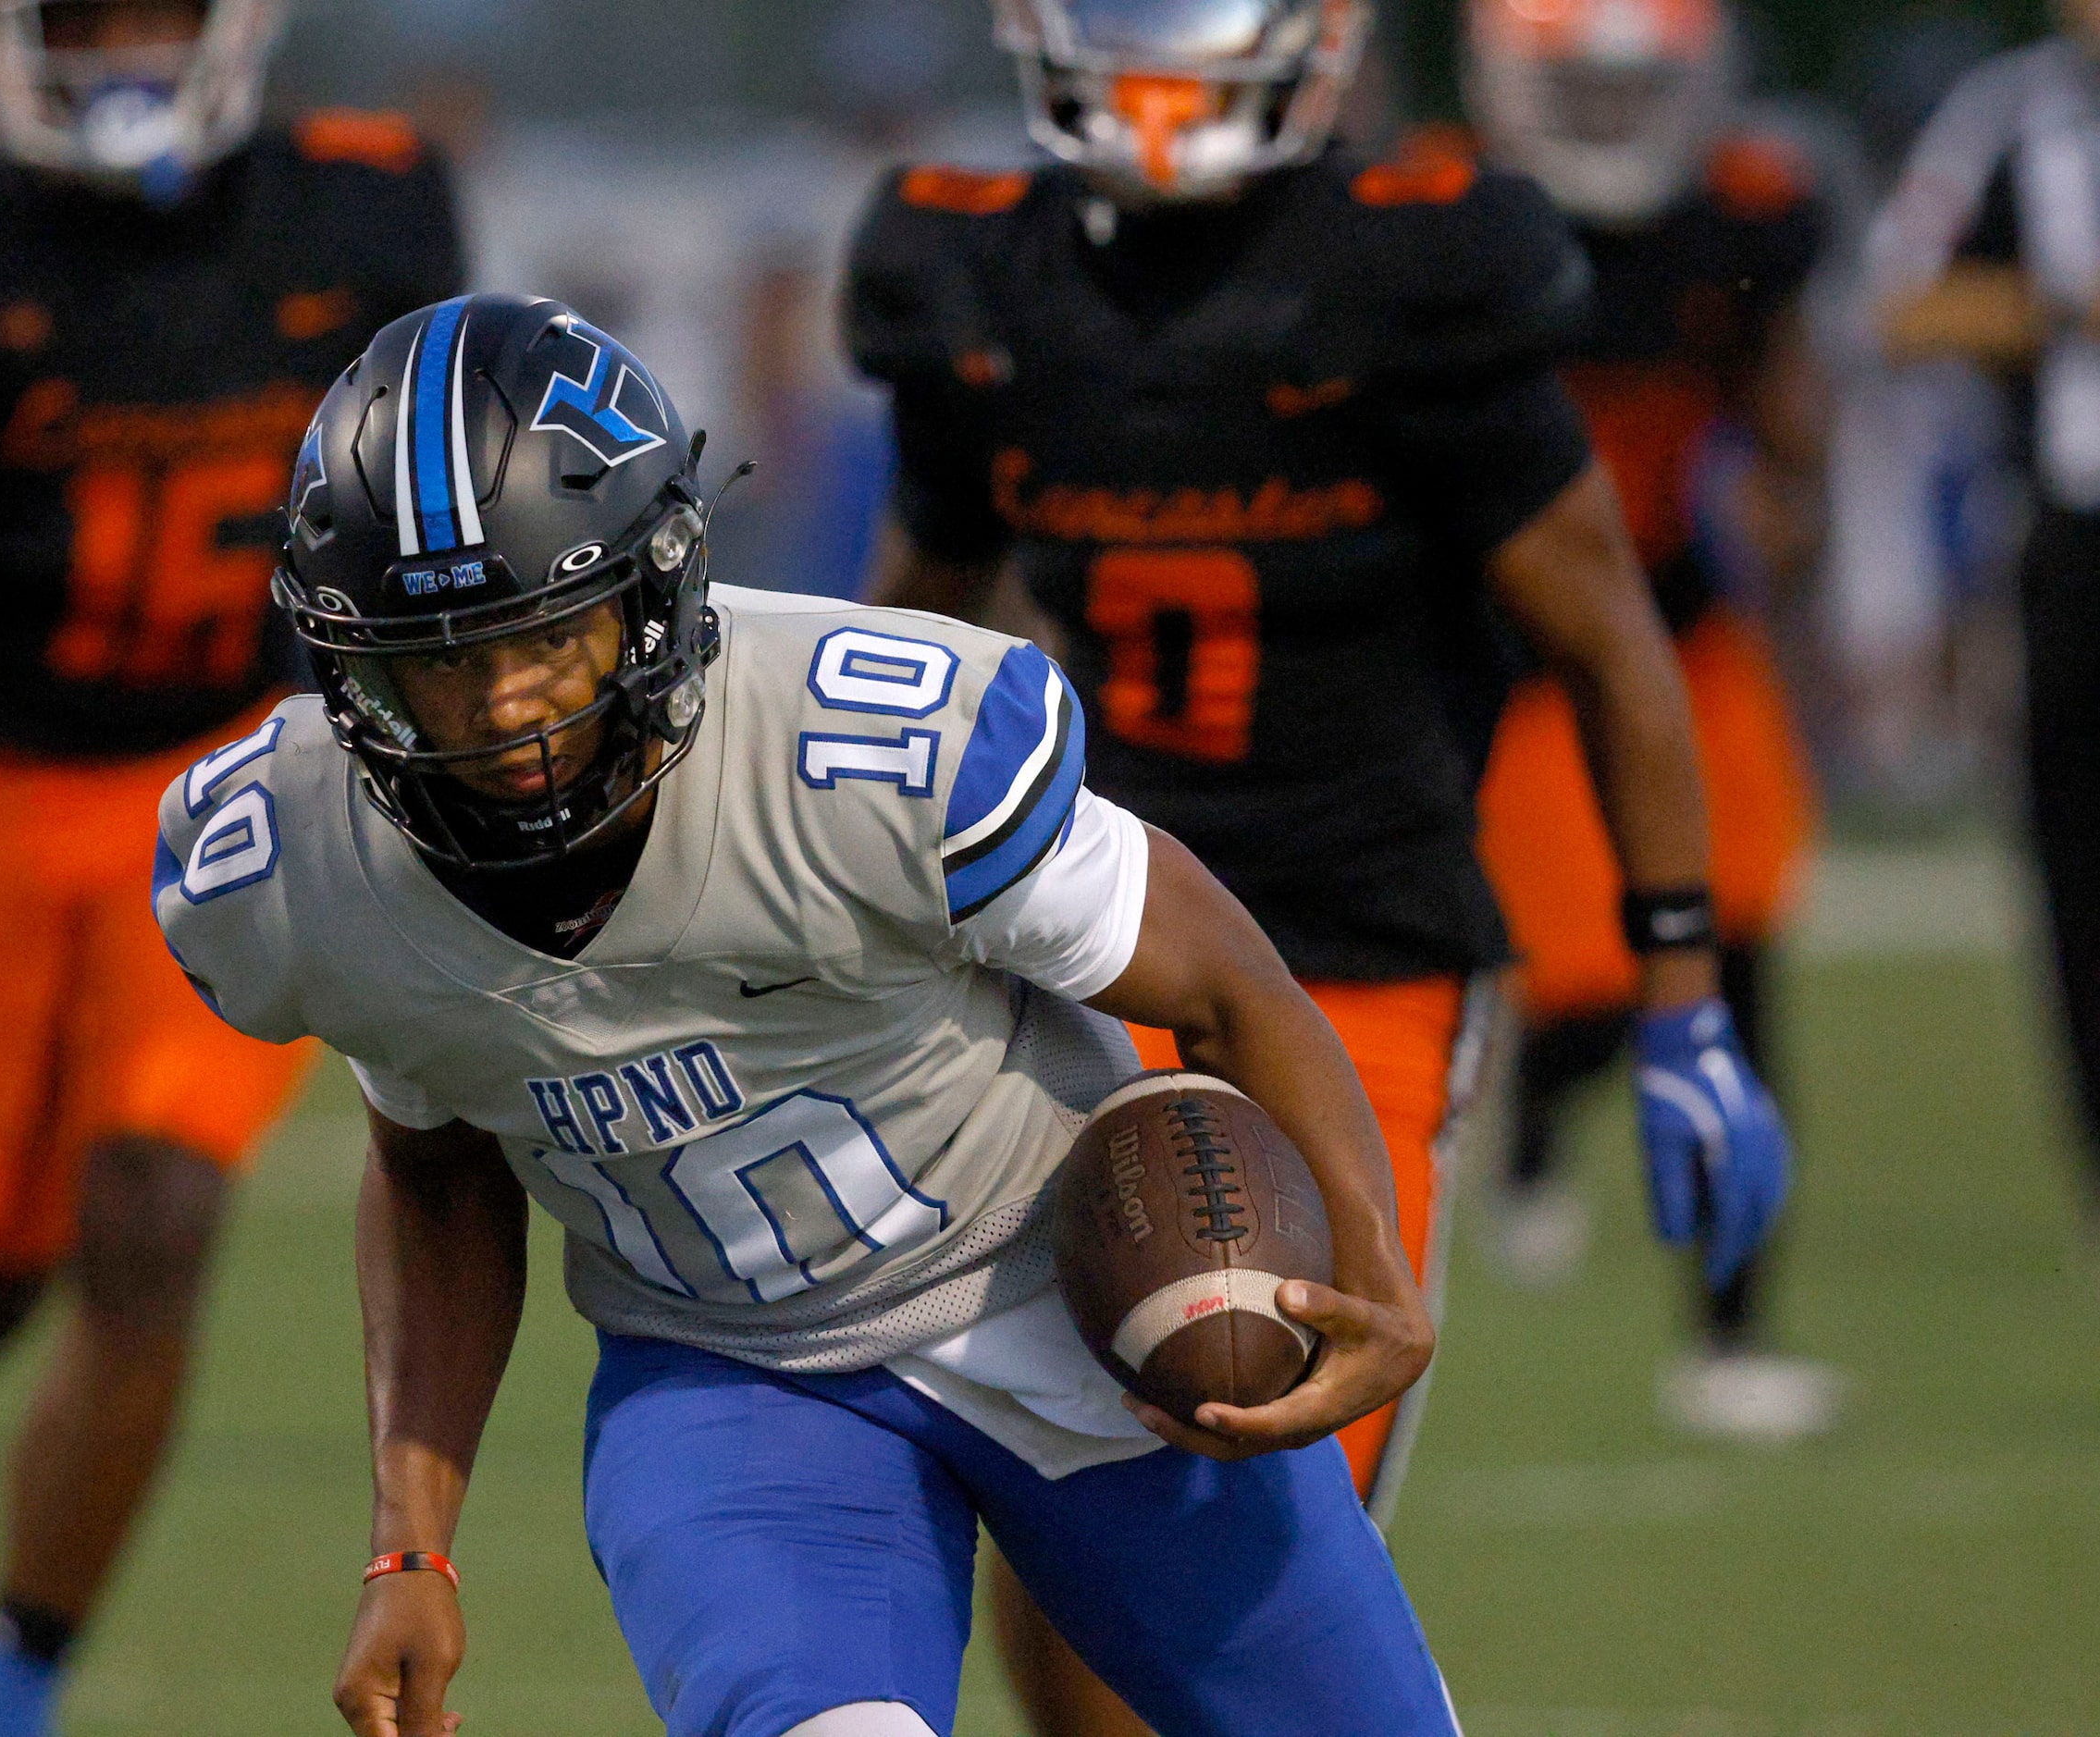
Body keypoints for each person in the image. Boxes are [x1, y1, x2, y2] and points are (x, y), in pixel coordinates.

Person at [162, 291, 1459, 1737]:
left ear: (655, 593)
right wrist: (409, 1538)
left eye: (552, 640)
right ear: (349, 666)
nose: (508, 710)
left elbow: (1223, 980)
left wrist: (1379, 1267)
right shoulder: (293, 859)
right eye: (439, 663)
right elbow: (436, 1162)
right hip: (733, 1380)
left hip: (1064, 1289)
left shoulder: (869, 744)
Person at [838, 1, 1791, 1729]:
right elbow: (902, 642)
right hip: (1082, 953)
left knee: (1240, 1490)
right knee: (1061, 1578)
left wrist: (1679, 993)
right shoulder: (979, 285)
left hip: (1357, 965)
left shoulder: (1413, 278)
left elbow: (1608, 643)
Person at [0, 3, 462, 1732]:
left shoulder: (358, 218)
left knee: (153, 1216)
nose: (123, 50)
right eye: (85, 17)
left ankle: (5, 1687)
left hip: (225, 775)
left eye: (156, 13)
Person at [1464, 0, 1842, 1439]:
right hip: (1513, 657)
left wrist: (1790, 496)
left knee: (1734, 962)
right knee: (1593, 984)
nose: (1613, 122)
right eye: (1584, 91)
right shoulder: (1457, 221)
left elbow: (1783, 408)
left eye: (1641, 92)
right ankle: (1539, 1121)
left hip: (1675, 627)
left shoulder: (1741, 218)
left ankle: (1730, 1330)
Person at [1868, 0, 2100, 1244]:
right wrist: (2062, 309)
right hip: (2071, 541)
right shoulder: (2008, 117)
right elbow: (1901, 307)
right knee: (2073, 868)